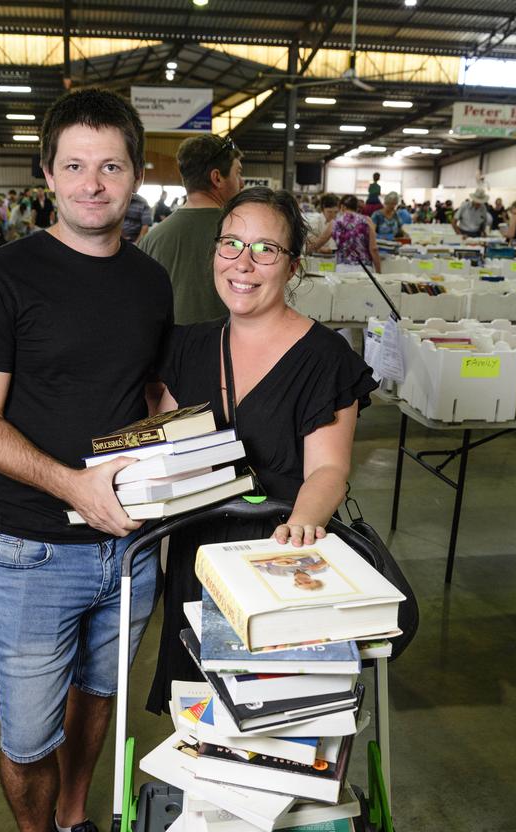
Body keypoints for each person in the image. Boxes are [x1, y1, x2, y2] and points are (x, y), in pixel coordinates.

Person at [0, 87, 173, 832]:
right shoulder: (2, 277)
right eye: (74, 165)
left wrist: (186, 446)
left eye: (110, 165)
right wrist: (73, 484)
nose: (92, 182)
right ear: (46, 175)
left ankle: (78, 823)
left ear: (132, 174)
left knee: (98, 700)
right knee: (26, 733)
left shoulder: (151, 279)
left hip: (133, 551)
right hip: (37, 549)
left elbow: (147, 395)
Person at [145, 185, 377, 713]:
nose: (243, 264)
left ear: (292, 266)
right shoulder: (189, 346)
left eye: (265, 249)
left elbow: (329, 470)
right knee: (200, 717)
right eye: (231, 244)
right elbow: (171, 443)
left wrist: (300, 525)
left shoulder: (325, 358)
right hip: (198, 560)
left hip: (280, 563)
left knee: (277, 721)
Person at [139, 134, 244, 323]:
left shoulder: (152, 239)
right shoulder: (243, 233)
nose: (242, 182)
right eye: (238, 173)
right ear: (217, 178)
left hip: (169, 349)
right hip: (227, 348)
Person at [331, 194, 381, 272]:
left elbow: (320, 240)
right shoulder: (367, 220)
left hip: (342, 267)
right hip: (364, 268)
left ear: (342, 207)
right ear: (356, 207)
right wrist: (379, 271)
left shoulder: (336, 222)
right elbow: (373, 249)